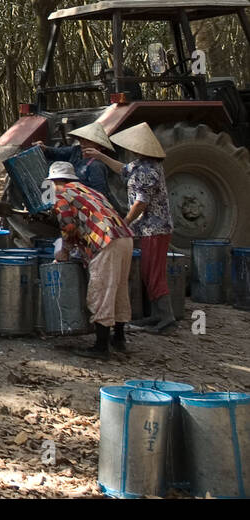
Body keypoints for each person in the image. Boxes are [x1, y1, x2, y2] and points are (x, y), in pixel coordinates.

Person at [85, 122, 174, 333]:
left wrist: (125, 222)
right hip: (149, 228)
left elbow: (140, 203)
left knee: (153, 273)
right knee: (148, 271)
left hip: (155, 229)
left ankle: (166, 317)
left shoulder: (148, 170)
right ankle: (156, 315)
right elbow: (122, 169)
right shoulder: (139, 165)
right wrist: (101, 157)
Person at [46, 161, 134, 359]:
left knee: (100, 290)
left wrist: (64, 251)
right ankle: (119, 339)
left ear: (56, 181)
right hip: (124, 237)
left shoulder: (62, 195)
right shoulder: (91, 191)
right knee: (119, 289)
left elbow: (68, 227)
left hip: (104, 241)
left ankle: (101, 347)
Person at [38, 120, 117, 205]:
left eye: (88, 141)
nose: (83, 143)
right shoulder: (76, 150)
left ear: (98, 145)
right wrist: (44, 148)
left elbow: (99, 194)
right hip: (71, 197)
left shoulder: (96, 166)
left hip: (86, 203)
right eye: (81, 140)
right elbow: (57, 153)